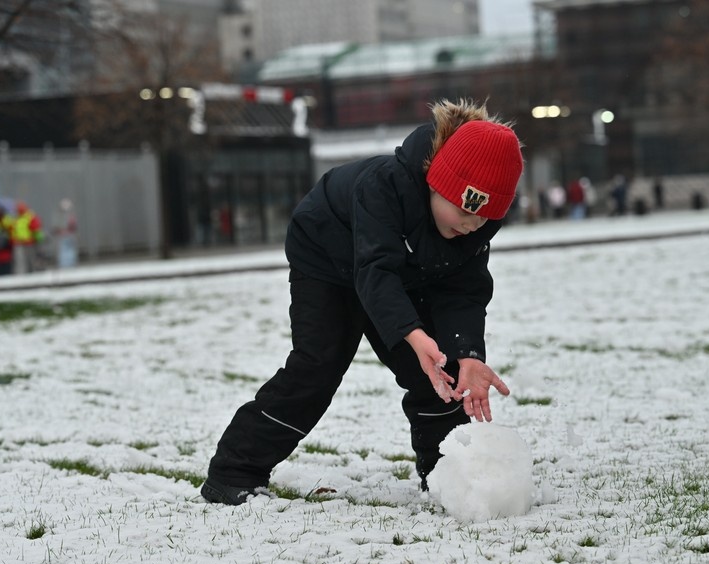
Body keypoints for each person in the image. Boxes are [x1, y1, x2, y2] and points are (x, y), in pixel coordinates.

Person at [201, 98, 521, 505]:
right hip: (326, 254)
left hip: (399, 271)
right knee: (318, 365)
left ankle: (446, 478)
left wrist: (468, 352)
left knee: (439, 373)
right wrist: (413, 334)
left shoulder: (472, 228)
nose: (471, 225)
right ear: (436, 181)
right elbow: (375, 272)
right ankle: (233, 473)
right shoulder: (385, 186)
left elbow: (465, 291)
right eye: (463, 211)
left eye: (483, 219)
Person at [11, 200, 45, 274]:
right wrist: (14, 240)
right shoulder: (17, 218)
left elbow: (35, 228)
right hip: (20, 242)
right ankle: (25, 273)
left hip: (29, 242)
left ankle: (33, 272)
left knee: (31, 259)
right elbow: (14, 230)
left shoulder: (30, 216)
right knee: (22, 261)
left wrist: (36, 239)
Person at [53, 198, 79, 268]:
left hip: (64, 236)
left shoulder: (59, 216)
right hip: (69, 236)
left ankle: (66, 266)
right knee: (69, 252)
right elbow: (74, 226)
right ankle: (70, 265)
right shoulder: (71, 216)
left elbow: (56, 227)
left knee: (64, 252)